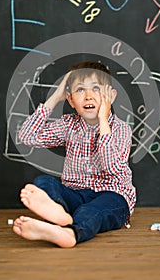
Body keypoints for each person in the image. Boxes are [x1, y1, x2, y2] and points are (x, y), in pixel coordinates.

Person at [13, 61, 136, 248]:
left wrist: (103, 119)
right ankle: (60, 216)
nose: (88, 96)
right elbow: (27, 136)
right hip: (75, 195)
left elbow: (109, 166)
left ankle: (70, 233)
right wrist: (55, 97)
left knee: (92, 210)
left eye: (96, 89)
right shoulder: (68, 125)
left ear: (110, 95)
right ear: (70, 100)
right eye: (80, 90)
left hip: (113, 196)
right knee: (42, 183)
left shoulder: (121, 129)